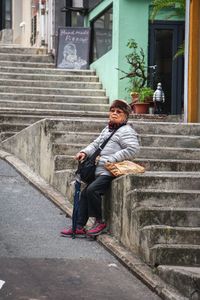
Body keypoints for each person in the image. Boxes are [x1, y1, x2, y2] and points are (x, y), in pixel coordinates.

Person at [61, 99, 140, 237]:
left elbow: (133, 149)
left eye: (119, 112)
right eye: (112, 111)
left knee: (92, 190)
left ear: (125, 116)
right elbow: (95, 144)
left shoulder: (126, 131)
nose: (114, 114)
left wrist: (113, 158)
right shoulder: (107, 129)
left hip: (109, 171)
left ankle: (99, 222)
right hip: (99, 170)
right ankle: (79, 226)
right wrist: (84, 152)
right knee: (85, 193)